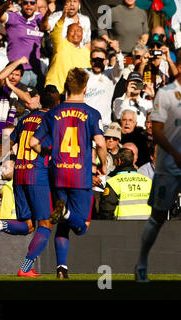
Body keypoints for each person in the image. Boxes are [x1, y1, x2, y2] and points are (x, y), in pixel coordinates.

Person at [30, 68, 107, 279]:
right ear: (85, 88)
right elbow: (100, 143)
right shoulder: (92, 113)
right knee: (81, 227)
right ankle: (64, 213)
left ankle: (61, 268)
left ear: (66, 87)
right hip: (80, 176)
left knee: (62, 226)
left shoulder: (53, 112)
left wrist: (46, 152)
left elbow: (33, 142)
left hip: (58, 174)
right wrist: (103, 164)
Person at [0, 85, 58, 277]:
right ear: (57, 103)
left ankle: (1, 225)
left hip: (20, 174)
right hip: (37, 175)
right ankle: (25, 268)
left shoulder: (25, 119)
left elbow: (8, 144)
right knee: (45, 223)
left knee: (28, 225)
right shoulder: (54, 120)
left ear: (41, 100)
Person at [135, 53, 181, 282]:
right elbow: (158, 131)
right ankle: (142, 261)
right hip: (168, 165)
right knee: (158, 216)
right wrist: (174, 153)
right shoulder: (165, 94)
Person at [0, 0, 45, 88]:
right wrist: (5, 5)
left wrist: (48, 12)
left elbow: (48, 27)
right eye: (26, 2)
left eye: (32, 3)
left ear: (36, 5)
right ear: (21, 3)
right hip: (17, 72)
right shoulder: (13, 17)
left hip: (36, 71)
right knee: (16, 101)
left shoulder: (39, 18)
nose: (29, 5)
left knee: (35, 101)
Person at [44, 4, 91, 95]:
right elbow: (57, 30)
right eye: (72, 31)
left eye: (79, 31)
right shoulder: (61, 43)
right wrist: (63, 17)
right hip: (56, 91)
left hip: (73, 94)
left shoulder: (86, 52)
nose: (76, 33)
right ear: (66, 34)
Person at [99, 148, 152, 220]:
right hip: (146, 225)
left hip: (122, 226)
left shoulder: (113, 182)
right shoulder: (148, 181)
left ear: (119, 161)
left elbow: (107, 210)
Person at [84, 46, 124, 128]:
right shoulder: (83, 73)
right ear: (91, 61)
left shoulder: (111, 74)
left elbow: (120, 67)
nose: (97, 63)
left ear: (106, 61)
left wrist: (118, 52)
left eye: (101, 60)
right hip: (85, 123)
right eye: (95, 60)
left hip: (103, 124)